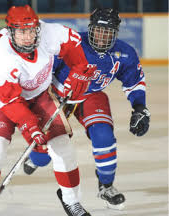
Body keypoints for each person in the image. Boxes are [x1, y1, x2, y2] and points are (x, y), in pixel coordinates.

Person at [0, 5, 96, 216]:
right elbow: (10, 101)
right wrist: (31, 126)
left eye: (31, 30)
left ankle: (72, 201)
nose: (28, 36)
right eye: (21, 31)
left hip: (38, 96)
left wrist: (79, 70)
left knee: (63, 147)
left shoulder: (50, 33)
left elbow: (74, 44)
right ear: (11, 31)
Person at [23, 8, 151, 211]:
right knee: (44, 152)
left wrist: (139, 108)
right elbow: (42, 70)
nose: (101, 37)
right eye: (98, 31)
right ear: (90, 28)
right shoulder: (70, 43)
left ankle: (106, 186)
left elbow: (134, 82)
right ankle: (37, 158)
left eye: (107, 33)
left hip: (91, 95)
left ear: (115, 33)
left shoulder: (123, 53)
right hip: (59, 96)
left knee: (104, 136)